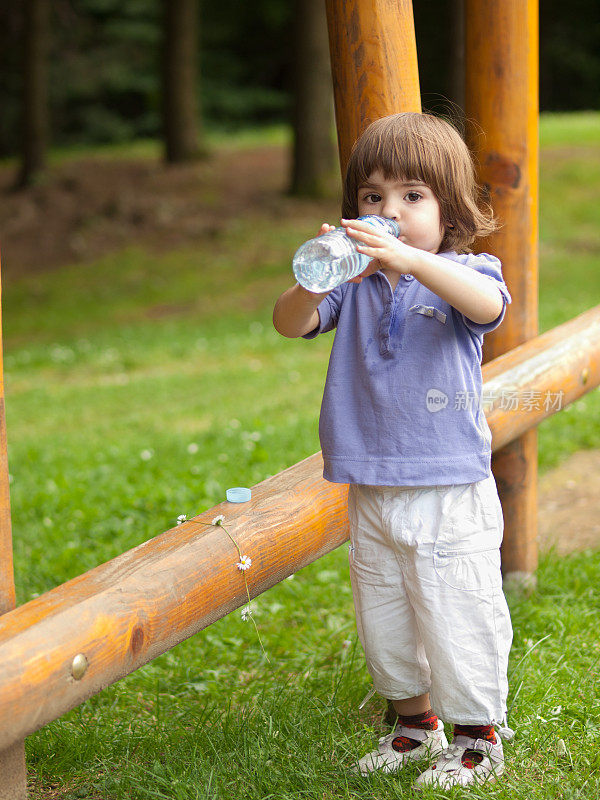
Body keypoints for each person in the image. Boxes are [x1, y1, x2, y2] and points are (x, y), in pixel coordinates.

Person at [273, 112, 514, 790]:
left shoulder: (465, 271)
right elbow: (288, 324)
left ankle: (477, 737)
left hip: (448, 489)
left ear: (450, 207)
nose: (389, 212)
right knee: (385, 611)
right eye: (372, 197)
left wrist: (414, 260)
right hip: (372, 483)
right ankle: (413, 724)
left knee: (457, 608)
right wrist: (317, 275)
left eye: (412, 196)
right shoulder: (350, 289)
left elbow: (488, 308)